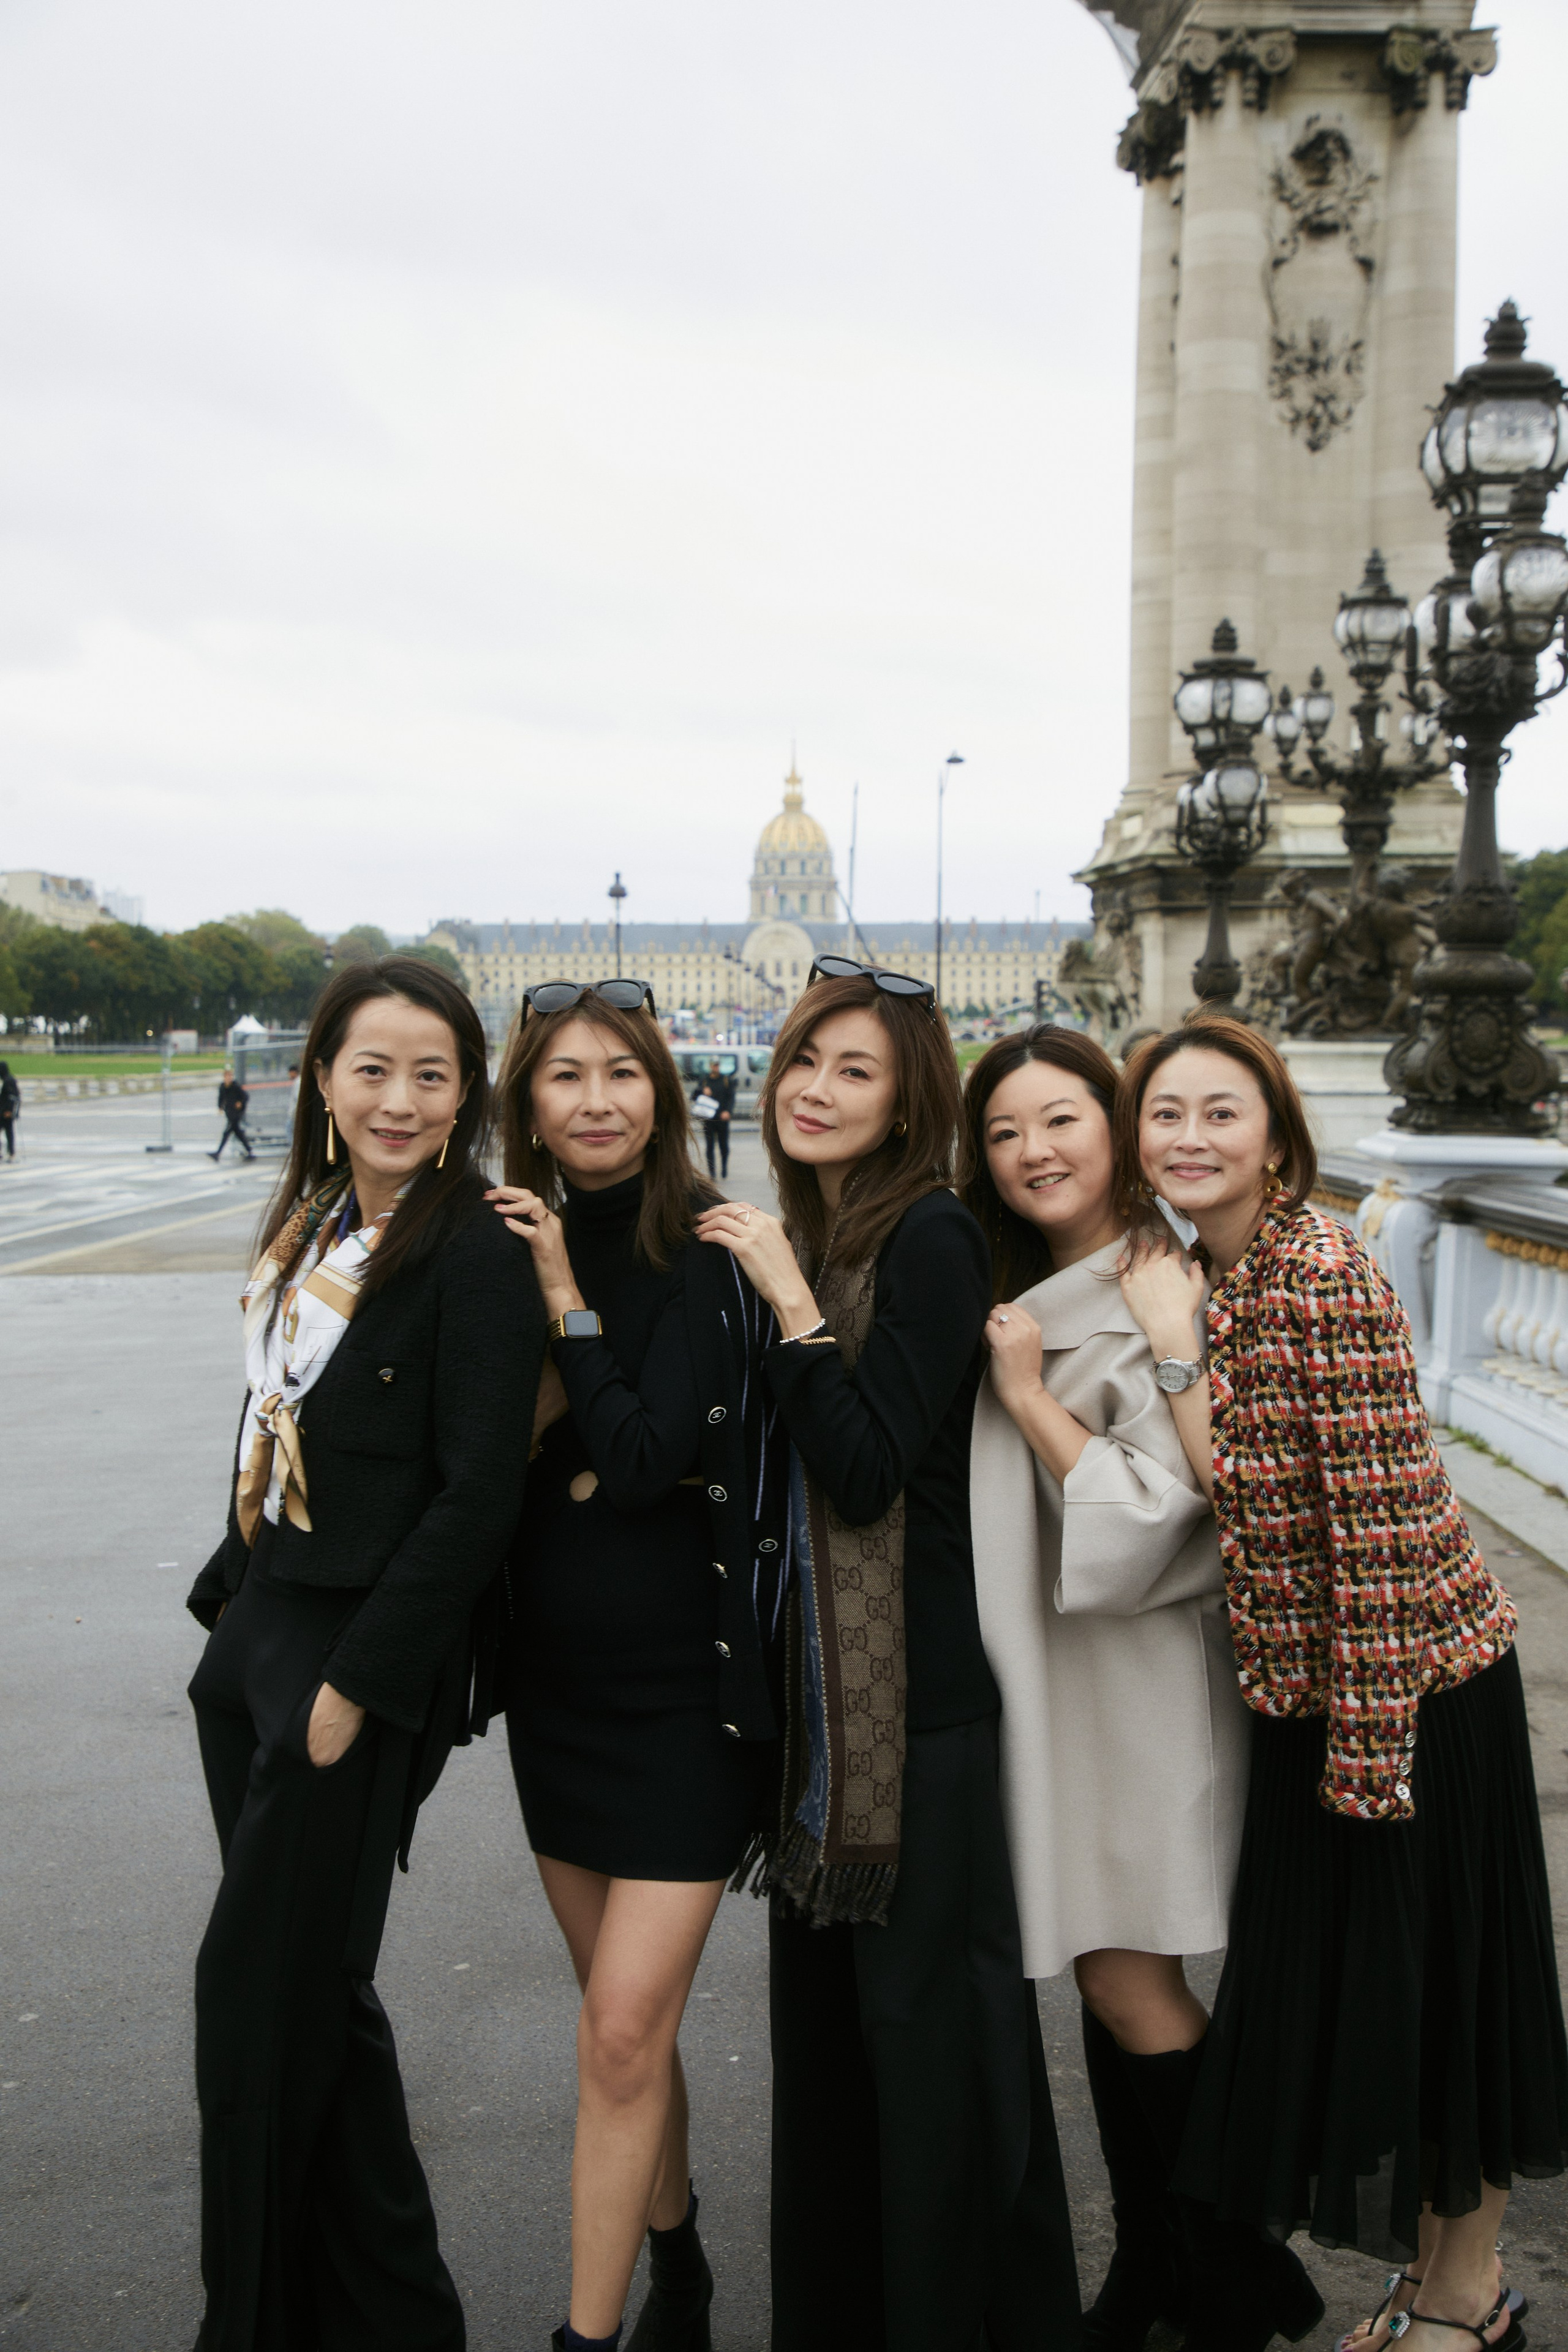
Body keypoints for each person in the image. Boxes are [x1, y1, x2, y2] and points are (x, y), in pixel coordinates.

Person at [1114, 1012, 1568, 2352]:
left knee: (1438, 2005)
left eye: (1218, 1113)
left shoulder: (1319, 1275)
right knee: (1404, 2007)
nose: (1188, 1138)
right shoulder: (1219, 1262)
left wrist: (1365, 1783)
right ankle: (1440, 2289)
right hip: (1332, 1702)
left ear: (1274, 1138)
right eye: (1165, 1115)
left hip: (1409, 1699)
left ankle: (1466, 2297)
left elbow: (1361, 1542)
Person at [695, 959, 1081, 2352]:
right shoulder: (829, 1223)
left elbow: (862, 1473)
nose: (812, 1086)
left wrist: (788, 1298)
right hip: (832, 1718)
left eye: (854, 1069)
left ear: (909, 1094)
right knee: (843, 2065)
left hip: (914, 1714)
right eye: (805, 1057)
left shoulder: (919, 1236)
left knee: (931, 2062)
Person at [184, 957, 545, 2352]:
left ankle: (253, 2319)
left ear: (465, 1096)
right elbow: (272, 1418)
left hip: (354, 1667)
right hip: (264, 1636)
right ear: (323, 1079)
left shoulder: (473, 1248)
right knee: (314, 1998)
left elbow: (475, 1498)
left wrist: (358, 1686)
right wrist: (233, 1601)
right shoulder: (322, 1221)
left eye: (430, 1072)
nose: (398, 1097)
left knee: (252, 2007)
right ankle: (391, 2311)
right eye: (372, 1067)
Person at [487, 976, 786, 2352]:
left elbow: (646, 1456)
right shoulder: (484, 1244)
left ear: (663, 1093)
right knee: (627, 2030)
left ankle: (583, 2338)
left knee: (616, 2033)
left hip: (683, 1697)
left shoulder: (707, 1254)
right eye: (564, 1077)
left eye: (622, 1073)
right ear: (528, 1105)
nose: (596, 1099)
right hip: (555, 1697)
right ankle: (678, 2253)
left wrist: (561, 1297)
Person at [960, 1024, 1256, 2352]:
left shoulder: (1151, 1282)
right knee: (1099, 1970)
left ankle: (1226, 2280)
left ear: (1117, 1125)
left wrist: (1027, 1400)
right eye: (1005, 1130)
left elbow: (1177, 1516)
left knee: (1131, 1975)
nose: (1032, 1150)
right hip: (1069, 1674)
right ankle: (1166, 2268)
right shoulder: (1044, 1273)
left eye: (1060, 1120)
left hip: (1135, 1677)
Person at [691, 1057, 736, 1182]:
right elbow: (694, 1097)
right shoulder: (705, 1081)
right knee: (710, 1147)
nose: (715, 1067)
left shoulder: (726, 1080)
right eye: (713, 1065)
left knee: (724, 1146)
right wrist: (702, 1091)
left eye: (717, 1065)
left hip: (722, 1118)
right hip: (708, 1119)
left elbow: (731, 1098)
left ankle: (724, 1168)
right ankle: (712, 1173)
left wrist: (728, 1112)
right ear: (710, 1066)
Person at [210, 1065, 254, 1161]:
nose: (229, 1078)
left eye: (230, 1076)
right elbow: (221, 1098)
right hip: (229, 1113)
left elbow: (245, 1096)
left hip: (236, 1114)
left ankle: (218, 1153)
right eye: (227, 1076)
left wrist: (240, 1103)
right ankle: (250, 1151)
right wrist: (220, 1107)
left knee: (226, 1133)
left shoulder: (235, 1086)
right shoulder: (223, 1087)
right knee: (238, 1133)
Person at [0, 1058, 18, 1159]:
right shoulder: (8, 1079)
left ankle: (11, 1152)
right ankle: (10, 1152)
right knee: (9, 1132)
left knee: (9, 1132)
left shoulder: (8, 1081)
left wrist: (9, 1111)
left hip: (6, 1112)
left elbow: (12, 1097)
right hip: (5, 1111)